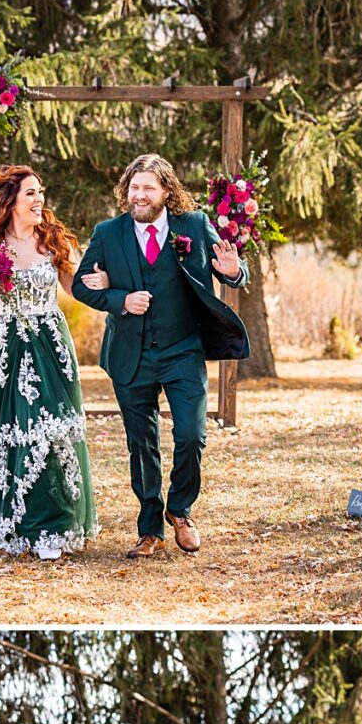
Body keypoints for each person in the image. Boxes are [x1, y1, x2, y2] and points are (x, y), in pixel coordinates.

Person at [74, 154, 249, 558]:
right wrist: (119, 298)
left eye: (148, 188)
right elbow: (83, 286)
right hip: (130, 354)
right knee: (142, 444)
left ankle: (181, 510)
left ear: (166, 192)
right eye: (134, 187)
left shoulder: (193, 226)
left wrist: (234, 270)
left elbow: (233, 273)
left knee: (192, 435)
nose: (140, 195)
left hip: (182, 350)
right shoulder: (107, 232)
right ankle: (149, 528)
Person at [0, 164, 98, 560]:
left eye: (41, 192)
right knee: (7, 431)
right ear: (10, 201)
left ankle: (50, 524)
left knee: (48, 427)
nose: (39, 200)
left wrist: (108, 286)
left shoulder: (51, 240)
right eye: (30, 194)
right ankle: (11, 519)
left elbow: (75, 287)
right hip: (0, 349)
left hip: (48, 348)